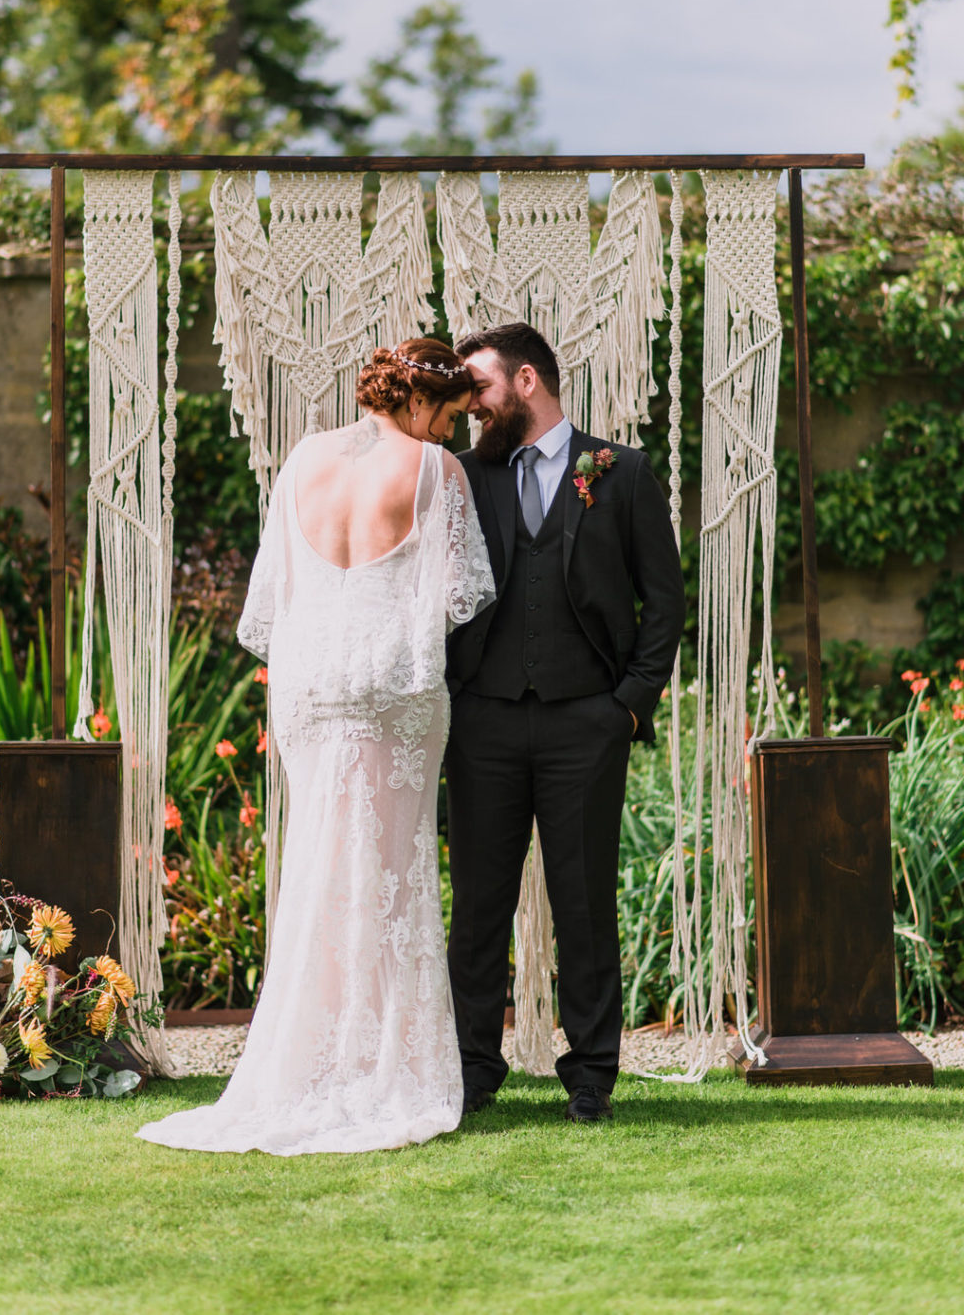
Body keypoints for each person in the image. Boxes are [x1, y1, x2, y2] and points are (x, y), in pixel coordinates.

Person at [138, 338, 494, 1156]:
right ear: (417, 402)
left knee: (319, 870)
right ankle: (378, 1068)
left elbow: (273, 598)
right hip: (390, 687)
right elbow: (462, 595)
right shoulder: (435, 472)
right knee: (390, 876)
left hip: (308, 690)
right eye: (447, 419)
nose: (448, 436)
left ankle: (315, 1059)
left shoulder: (301, 459)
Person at [445, 322, 685, 1123]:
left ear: (525, 382)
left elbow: (665, 601)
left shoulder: (619, 473)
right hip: (483, 722)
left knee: (583, 904)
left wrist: (628, 704)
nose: (469, 405)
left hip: (587, 723)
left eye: (478, 387)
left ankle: (590, 1076)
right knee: (478, 905)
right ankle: (474, 1068)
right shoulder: (463, 477)